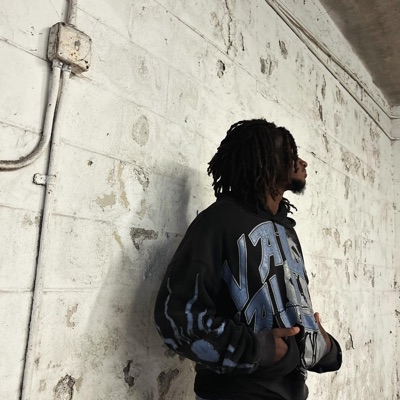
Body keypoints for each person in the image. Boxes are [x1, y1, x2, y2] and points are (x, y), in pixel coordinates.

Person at [154, 119, 342, 400]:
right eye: (289, 153)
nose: (302, 162)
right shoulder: (218, 222)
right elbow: (177, 317)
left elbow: (292, 311)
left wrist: (323, 345)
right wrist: (258, 348)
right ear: (263, 159)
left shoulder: (286, 230)